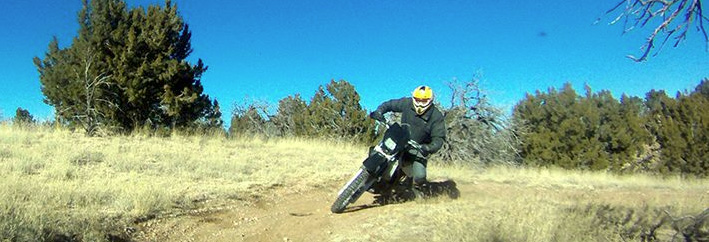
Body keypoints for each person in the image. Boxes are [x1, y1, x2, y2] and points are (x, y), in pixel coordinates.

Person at [369, 85, 446, 198]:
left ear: (430, 101)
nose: (420, 104)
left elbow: (439, 138)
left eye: (424, 101)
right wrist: (379, 111)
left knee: (419, 176)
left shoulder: (436, 116)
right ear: (413, 97)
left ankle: (417, 191)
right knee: (380, 151)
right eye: (417, 100)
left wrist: (429, 148)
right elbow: (390, 104)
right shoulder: (407, 103)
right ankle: (374, 180)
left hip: (419, 148)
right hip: (402, 138)